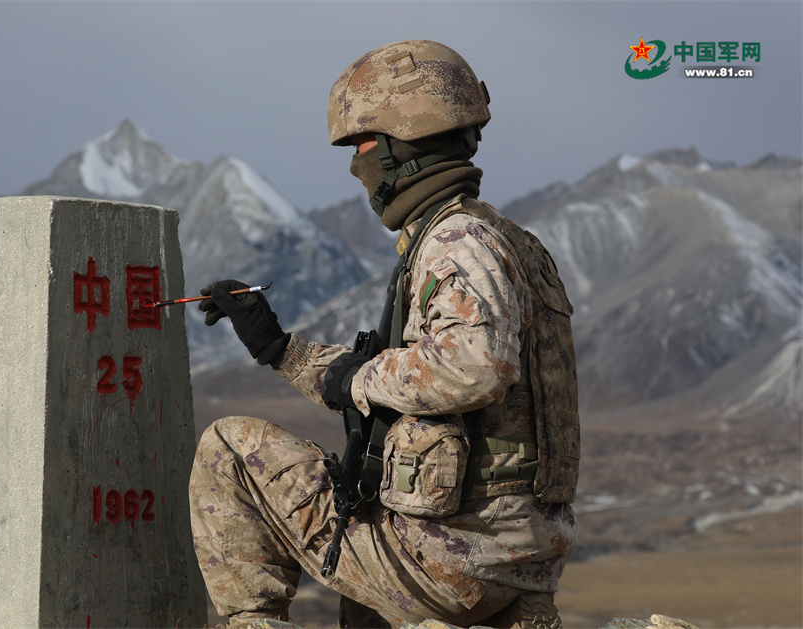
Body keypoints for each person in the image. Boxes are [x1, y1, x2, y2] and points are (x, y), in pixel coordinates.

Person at [189, 40, 579, 629]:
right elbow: (407, 375)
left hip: (453, 558)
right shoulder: (511, 243)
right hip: (518, 561)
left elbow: (472, 366)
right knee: (366, 546)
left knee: (228, 448)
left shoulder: (457, 242)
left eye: (364, 144)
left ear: (406, 141)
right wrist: (280, 348)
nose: (355, 165)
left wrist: (361, 379)